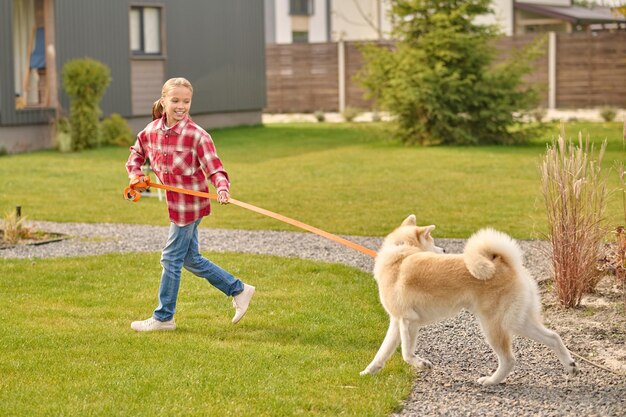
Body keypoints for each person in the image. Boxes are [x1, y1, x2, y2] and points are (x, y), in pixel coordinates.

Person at [125, 77, 255, 332]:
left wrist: (222, 188)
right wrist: (135, 175)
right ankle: (238, 289)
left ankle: (164, 318)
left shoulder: (197, 136)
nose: (181, 106)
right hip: (175, 205)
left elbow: (215, 168)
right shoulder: (150, 131)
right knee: (190, 258)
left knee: (171, 257)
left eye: (186, 101)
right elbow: (136, 153)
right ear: (163, 101)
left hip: (190, 207)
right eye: (175, 100)